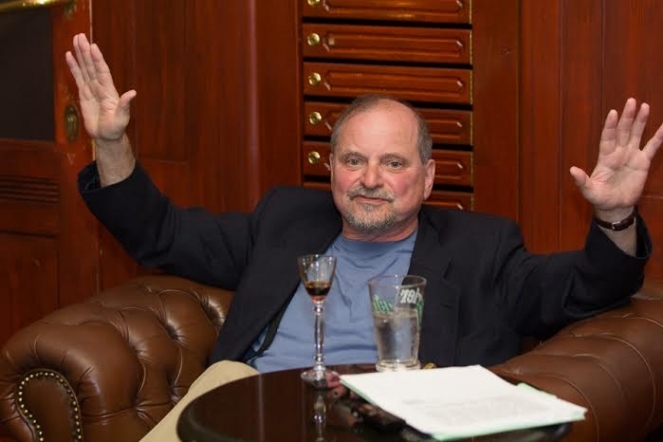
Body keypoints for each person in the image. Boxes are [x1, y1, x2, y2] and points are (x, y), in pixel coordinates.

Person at [66, 33, 661, 441]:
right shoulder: (284, 220)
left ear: (428, 177)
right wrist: (111, 143)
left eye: (393, 163)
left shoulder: (481, 248)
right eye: (354, 160)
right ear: (331, 169)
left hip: (385, 420)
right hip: (253, 411)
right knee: (222, 383)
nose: (370, 179)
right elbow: (161, 234)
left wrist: (614, 215)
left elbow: (589, 287)